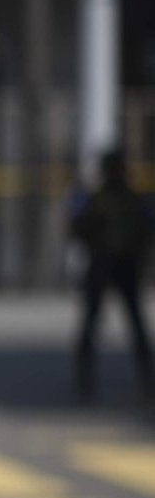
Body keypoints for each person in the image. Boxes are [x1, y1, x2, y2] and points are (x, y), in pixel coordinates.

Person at [70, 147, 153, 403]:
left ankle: (88, 377)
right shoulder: (127, 199)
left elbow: (77, 229)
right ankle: (141, 377)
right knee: (121, 323)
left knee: (99, 324)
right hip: (116, 265)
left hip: (108, 265)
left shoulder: (104, 199)